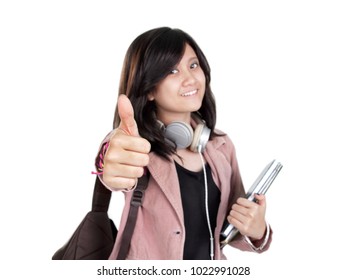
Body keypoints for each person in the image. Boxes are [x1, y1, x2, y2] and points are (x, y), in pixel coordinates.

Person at [94, 27, 272, 260]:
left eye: (193, 65)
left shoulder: (221, 145)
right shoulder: (136, 145)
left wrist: (257, 229)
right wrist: (107, 162)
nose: (190, 79)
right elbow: (111, 160)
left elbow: (232, 227)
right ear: (149, 90)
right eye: (173, 70)